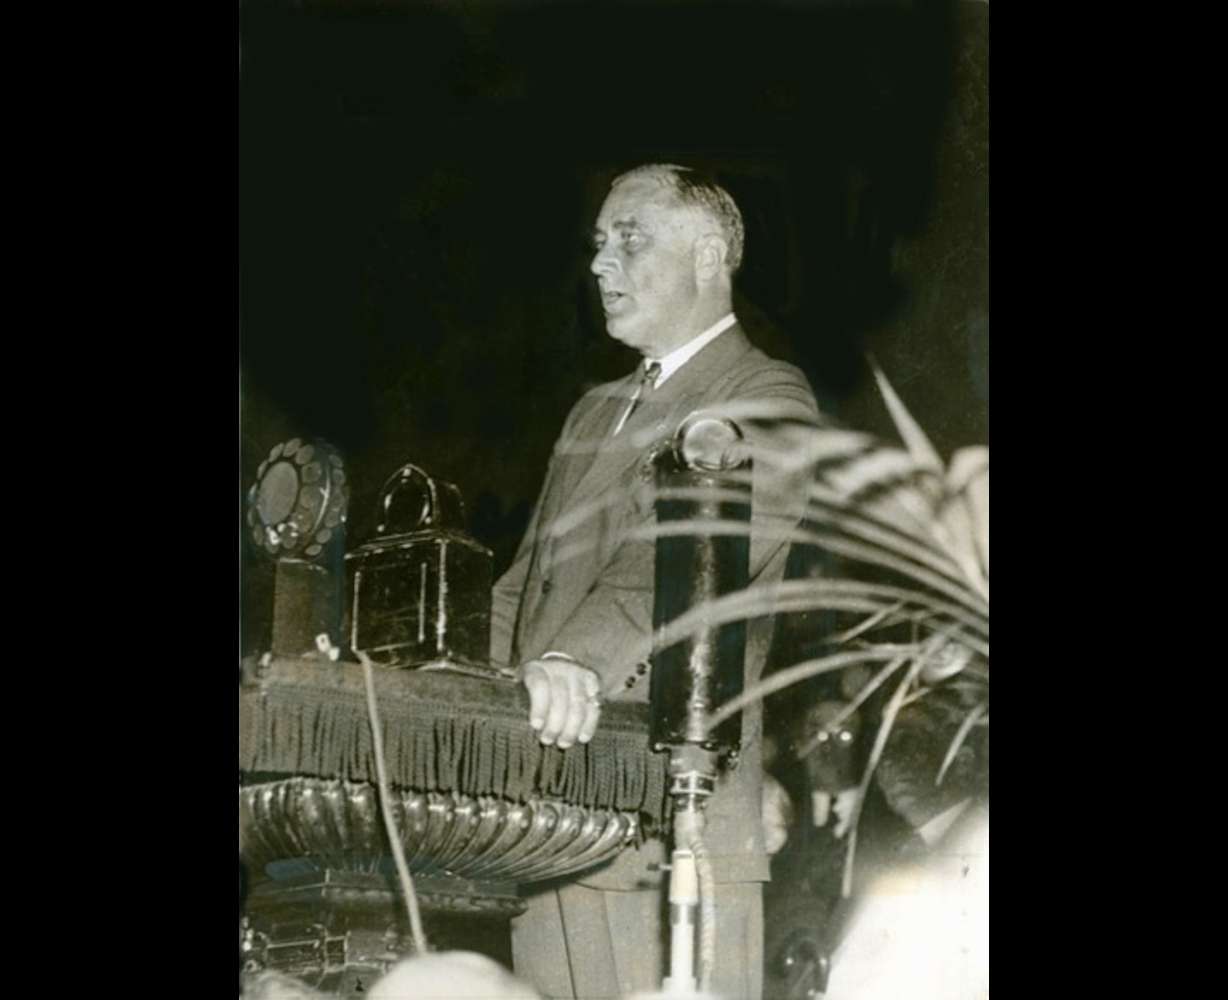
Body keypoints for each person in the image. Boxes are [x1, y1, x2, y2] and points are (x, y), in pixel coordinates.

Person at [490, 163, 822, 999]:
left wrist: (573, 660)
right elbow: (523, 587)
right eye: (599, 244)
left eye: (629, 240)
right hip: (548, 811)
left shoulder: (767, 395)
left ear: (709, 256)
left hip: (668, 819)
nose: (602, 264)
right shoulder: (592, 411)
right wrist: (459, 682)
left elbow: (681, 565)